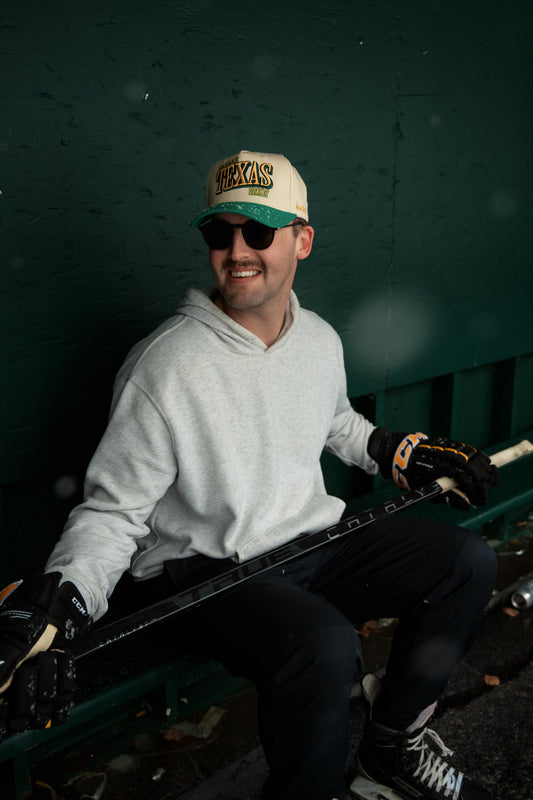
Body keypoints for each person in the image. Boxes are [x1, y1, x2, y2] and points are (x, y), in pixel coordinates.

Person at [0, 150, 499, 800]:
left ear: (302, 239)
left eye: (258, 232)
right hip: (208, 573)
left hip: (309, 544)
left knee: (464, 560)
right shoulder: (165, 365)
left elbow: (335, 423)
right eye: (220, 232)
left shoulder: (317, 338)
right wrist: (56, 607)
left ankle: (390, 745)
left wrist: (396, 451)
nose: (237, 251)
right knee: (325, 646)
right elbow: (112, 513)